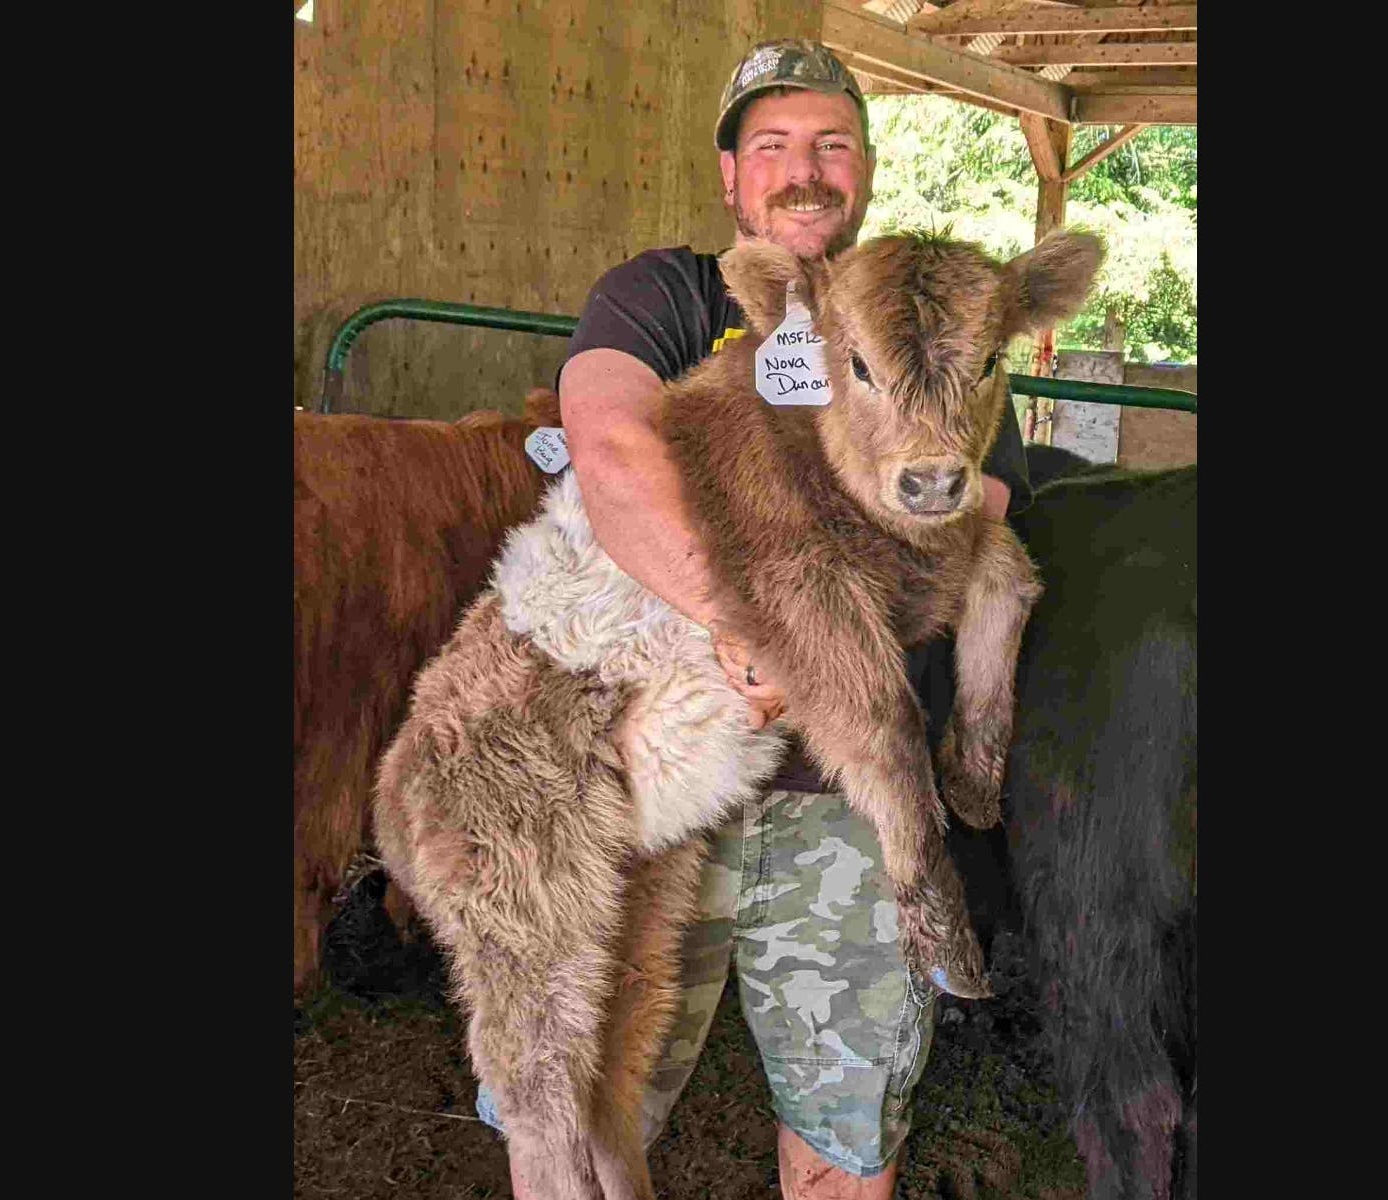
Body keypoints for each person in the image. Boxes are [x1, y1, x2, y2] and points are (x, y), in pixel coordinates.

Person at [481, 39, 1034, 1199]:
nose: (805, 171)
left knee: (846, 1128)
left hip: (844, 804)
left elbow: (978, 504)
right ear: (730, 173)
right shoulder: (665, 293)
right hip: (646, 780)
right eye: (773, 146)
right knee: (585, 1108)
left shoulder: (928, 304)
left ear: (867, 170)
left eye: (833, 145)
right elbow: (616, 456)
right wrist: (747, 629)